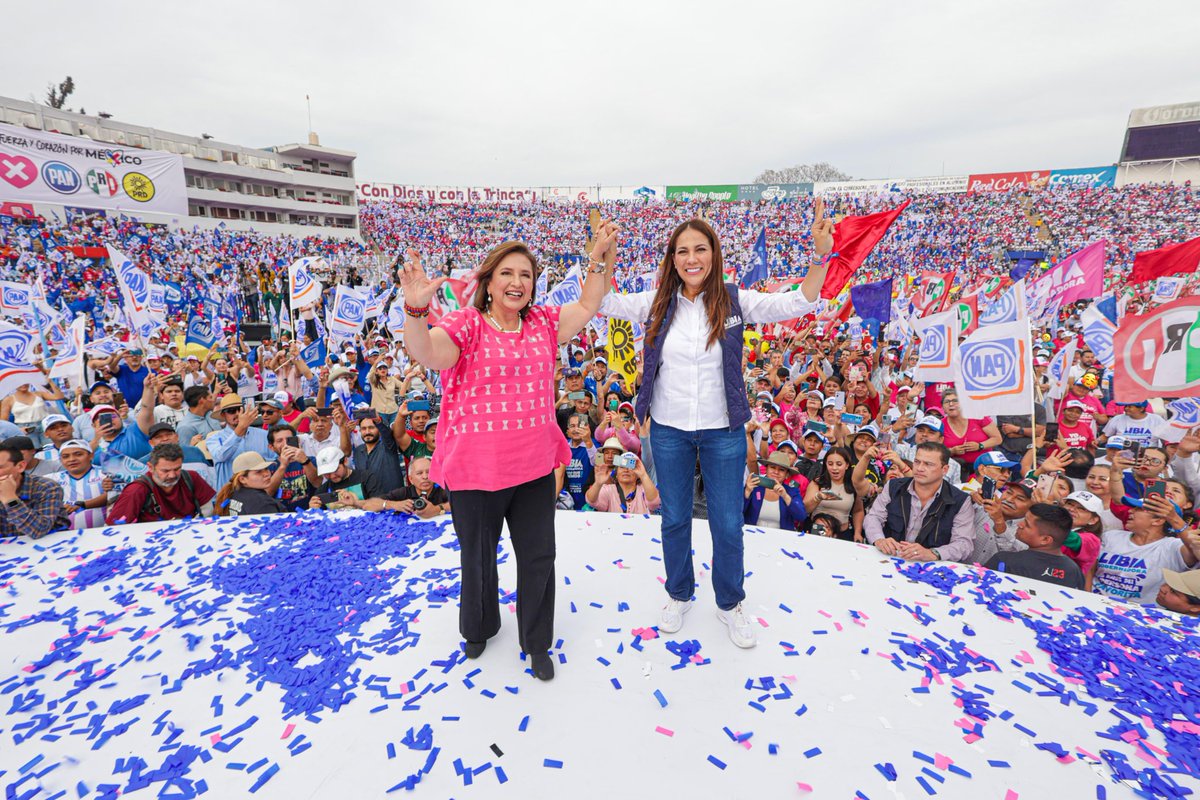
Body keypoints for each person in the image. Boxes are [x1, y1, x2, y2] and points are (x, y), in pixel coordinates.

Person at [598, 207, 832, 649]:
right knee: (674, 518)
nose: (691, 258)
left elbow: (799, 301)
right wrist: (605, 256)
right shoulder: (656, 301)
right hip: (668, 429)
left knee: (727, 522)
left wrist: (820, 257)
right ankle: (679, 593)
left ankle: (729, 602)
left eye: (700, 249)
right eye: (682, 250)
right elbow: (605, 301)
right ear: (672, 258)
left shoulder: (735, 300)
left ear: (714, 254)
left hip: (724, 430)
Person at [398, 221, 618, 682]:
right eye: (507, 273)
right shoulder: (467, 324)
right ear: (488, 281)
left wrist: (597, 258)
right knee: (477, 557)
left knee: (538, 557)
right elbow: (428, 353)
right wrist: (416, 309)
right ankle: (478, 627)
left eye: (526, 275)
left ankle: (536, 641)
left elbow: (589, 303)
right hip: (476, 472)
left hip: (534, 468)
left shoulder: (542, 322)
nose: (517, 282)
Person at [863, 442, 976, 563]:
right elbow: (874, 517)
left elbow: (964, 544)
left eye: (928, 464)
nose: (920, 468)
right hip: (888, 558)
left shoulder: (960, 500)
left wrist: (933, 553)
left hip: (930, 567)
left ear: (945, 470)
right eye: (917, 462)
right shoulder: (894, 486)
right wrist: (879, 539)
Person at [1093, 498, 1200, 605]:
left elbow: (1195, 547)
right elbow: (1090, 568)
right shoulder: (1111, 536)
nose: (1130, 511)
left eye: (1139, 509)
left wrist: (1173, 518)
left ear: (1158, 521)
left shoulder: (1173, 547)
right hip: (1092, 602)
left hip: (1138, 615)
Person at [106, 443, 216, 525]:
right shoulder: (136, 490)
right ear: (150, 467)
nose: (172, 475)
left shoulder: (191, 477)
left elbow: (207, 508)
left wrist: (192, 526)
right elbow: (113, 527)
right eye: (165, 471)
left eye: (177, 469)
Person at [984, 503, 1085, 589]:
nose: (1020, 524)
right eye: (1024, 519)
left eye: (1027, 524)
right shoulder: (1074, 570)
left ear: (1045, 540)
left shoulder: (1003, 560)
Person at [0, 440, 70, 538]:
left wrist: (10, 499)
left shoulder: (46, 487)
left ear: (20, 466)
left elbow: (39, 530)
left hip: (52, 546)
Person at [206, 394, 272, 489]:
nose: (237, 413)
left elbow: (274, 461)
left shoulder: (264, 435)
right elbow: (221, 456)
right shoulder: (214, 438)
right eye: (231, 411)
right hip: (230, 494)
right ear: (223, 415)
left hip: (260, 493)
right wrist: (241, 427)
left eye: (240, 409)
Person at [350, 457, 451, 518]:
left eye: (428, 472)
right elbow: (369, 505)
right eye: (419, 473)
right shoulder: (404, 493)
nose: (425, 477)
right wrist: (393, 504)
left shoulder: (442, 490)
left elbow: (460, 503)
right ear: (410, 479)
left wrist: (437, 509)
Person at [49, 440, 114, 530]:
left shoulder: (105, 473)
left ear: (91, 456)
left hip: (105, 533)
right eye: (65, 456)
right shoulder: (52, 479)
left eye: (78, 454)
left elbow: (112, 497)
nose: (72, 459)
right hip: (65, 537)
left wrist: (83, 505)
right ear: (61, 460)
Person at [803, 446, 863, 541]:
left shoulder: (853, 485)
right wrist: (817, 498)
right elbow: (805, 509)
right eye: (830, 464)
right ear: (825, 465)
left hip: (842, 535)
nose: (834, 468)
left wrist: (857, 533)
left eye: (839, 464)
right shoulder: (817, 483)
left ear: (847, 465)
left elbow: (858, 511)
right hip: (816, 532)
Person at [743, 451, 807, 530]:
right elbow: (737, 513)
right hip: (752, 534)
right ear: (766, 469)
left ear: (787, 475)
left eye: (781, 470)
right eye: (772, 467)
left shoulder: (792, 491)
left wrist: (785, 496)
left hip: (781, 539)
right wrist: (747, 492)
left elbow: (801, 516)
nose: (776, 472)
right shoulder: (754, 487)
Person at [214, 452, 289, 517]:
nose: (266, 474)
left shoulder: (233, 491)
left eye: (266, 468)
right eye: (258, 472)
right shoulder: (262, 502)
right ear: (242, 479)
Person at [587, 452, 660, 514]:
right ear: (616, 474)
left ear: (638, 475)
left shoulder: (645, 489)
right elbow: (591, 501)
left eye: (631, 467)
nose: (626, 470)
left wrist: (643, 475)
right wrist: (598, 483)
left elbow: (654, 503)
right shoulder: (608, 490)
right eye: (622, 467)